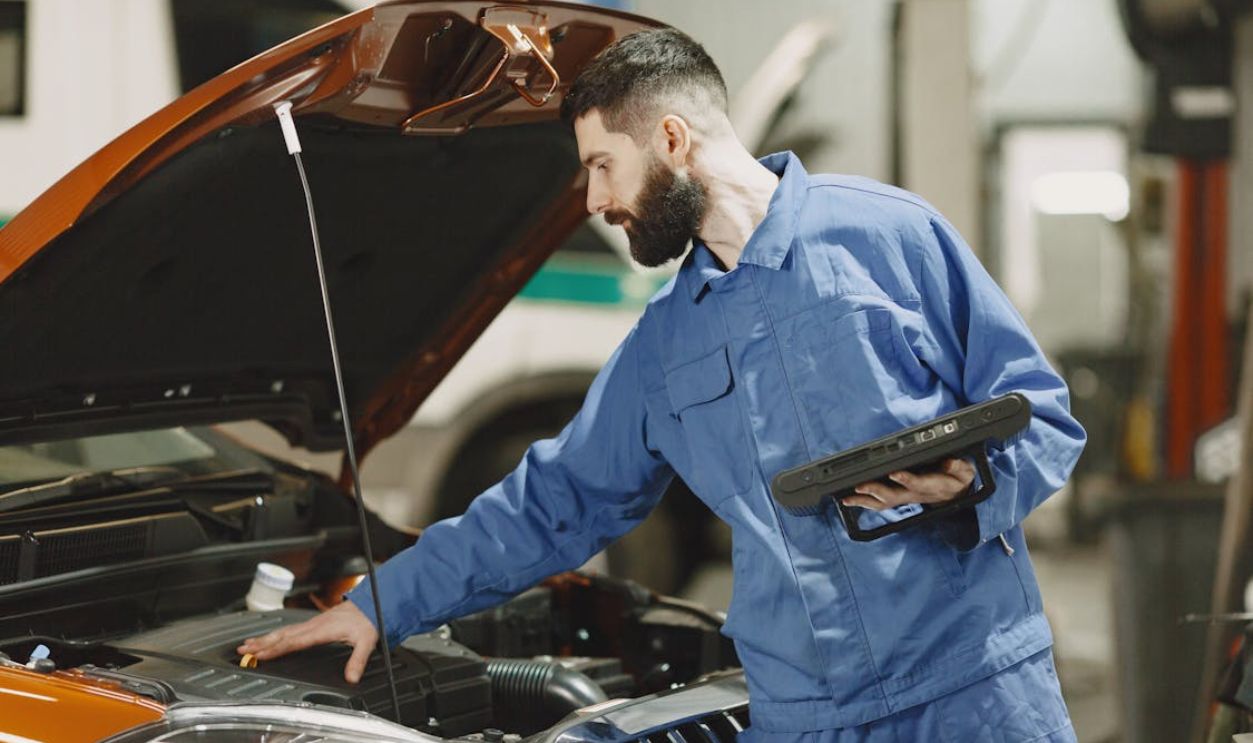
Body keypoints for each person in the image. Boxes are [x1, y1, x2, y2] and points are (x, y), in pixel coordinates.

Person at [239, 27, 1086, 742]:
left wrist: (971, 482)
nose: (596, 198)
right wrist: (380, 604)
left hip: (972, 688)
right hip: (811, 713)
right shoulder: (663, 343)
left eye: (604, 165)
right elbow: (555, 500)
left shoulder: (888, 236)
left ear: (672, 140)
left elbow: (1039, 413)